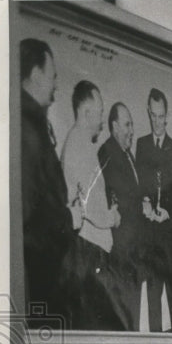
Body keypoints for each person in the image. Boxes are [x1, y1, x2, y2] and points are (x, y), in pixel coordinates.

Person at [19, 38, 80, 325]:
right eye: (53, 75)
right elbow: (28, 216)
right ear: (35, 74)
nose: (56, 84)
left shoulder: (32, 124)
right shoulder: (26, 130)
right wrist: (68, 221)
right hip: (41, 281)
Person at [60, 80, 123, 330]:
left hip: (90, 251)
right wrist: (113, 218)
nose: (101, 120)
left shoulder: (80, 144)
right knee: (96, 328)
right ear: (86, 112)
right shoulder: (79, 146)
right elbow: (91, 209)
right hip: (88, 252)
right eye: (99, 113)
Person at [136, 88, 172, 332]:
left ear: (167, 116)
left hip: (170, 238)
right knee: (153, 299)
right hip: (149, 238)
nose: (157, 121)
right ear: (148, 114)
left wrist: (168, 212)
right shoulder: (141, 146)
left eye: (161, 116)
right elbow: (139, 186)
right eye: (153, 116)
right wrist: (144, 201)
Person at [99, 102, 146, 329]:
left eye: (132, 124)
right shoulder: (107, 152)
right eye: (127, 124)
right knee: (123, 318)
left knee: (132, 315)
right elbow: (116, 200)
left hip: (134, 252)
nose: (131, 130)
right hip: (121, 252)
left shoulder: (128, 154)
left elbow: (133, 194)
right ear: (115, 126)